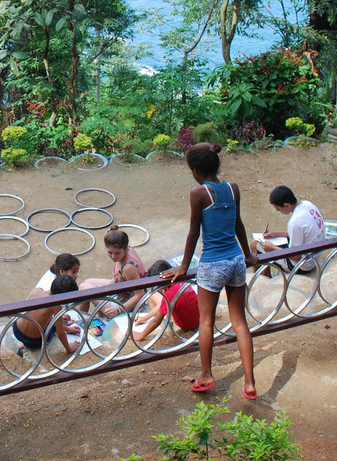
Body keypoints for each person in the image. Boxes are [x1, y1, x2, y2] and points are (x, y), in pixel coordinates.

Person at [166, 143, 258, 399]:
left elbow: (194, 232)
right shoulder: (232, 188)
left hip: (212, 264)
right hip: (236, 261)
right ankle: (249, 382)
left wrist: (184, 266)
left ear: (196, 170)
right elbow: (238, 224)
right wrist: (248, 255)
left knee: (206, 322)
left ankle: (206, 375)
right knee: (239, 322)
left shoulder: (199, 193)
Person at [80, 227, 146, 319]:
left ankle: (81, 319)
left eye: (117, 253)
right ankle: (98, 316)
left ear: (126, 248)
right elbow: (118, 277)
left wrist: (119, 310)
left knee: (84, 288)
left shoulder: (129, 268)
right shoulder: (127, 251)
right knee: (88, 282)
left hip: (126, 305)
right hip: (119, 288)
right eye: (110, 252)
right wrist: (102, 289)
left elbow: (140, 294)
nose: (113, 257)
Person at [259, 185, 326, 273]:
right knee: (269, 244)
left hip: (302, 265)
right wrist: (275, 233)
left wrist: (272, 248)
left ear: (286, 205)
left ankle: (264, 278)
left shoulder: (295, 222)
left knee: (256, 245)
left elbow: (296, 256)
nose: (277, 211)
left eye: (278, 208)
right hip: (315, 256)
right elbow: (302, 233)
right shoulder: (308, 204)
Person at [12, 273, 80, 354]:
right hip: (32, 341)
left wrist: (67, 327)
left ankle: (20, 344)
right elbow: (60, 333)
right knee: (54, 326)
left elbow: (37, 314)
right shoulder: (55, 305)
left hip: (16, 329)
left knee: (49, 317)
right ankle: (25, 345)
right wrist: (69, 349)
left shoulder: (37, 290)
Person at [133, 260, 200, 341]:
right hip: (198, 317)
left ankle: (155, 317)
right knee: (156, 297)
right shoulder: (181, 280)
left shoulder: (169, 295)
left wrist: (140, 335)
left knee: (152, 295)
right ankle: (150, 316)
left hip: (187, 325)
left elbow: (156, 321)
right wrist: (144, 318)